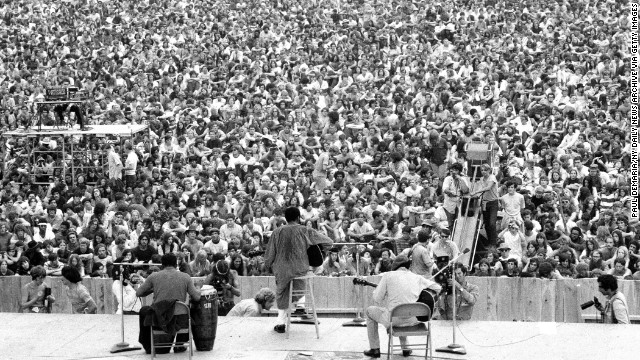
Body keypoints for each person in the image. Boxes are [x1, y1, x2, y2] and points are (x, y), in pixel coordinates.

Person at [265, 206, 333, 333]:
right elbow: (329, 242)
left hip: (282, 270)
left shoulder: (276, 232)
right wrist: (316, 252)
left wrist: (268, 266)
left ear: (286, 218)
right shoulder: (305, 230)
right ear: (298, 218)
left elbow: (269, 255)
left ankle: (281, 322)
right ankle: (300, 305)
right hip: (300, 269)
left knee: (282, 291)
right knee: (300, 285)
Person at [363, 255, 442, 358]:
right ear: (407, 266)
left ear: (395, 266)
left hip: (393, 320)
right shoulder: (417, 277)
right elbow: (438, 288)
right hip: (413, 320)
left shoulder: (388, 276)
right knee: (405, 309)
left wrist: (377, 292)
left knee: (370, 311)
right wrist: (422, 294)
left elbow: (377, 299)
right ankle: (405, 348)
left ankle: (375, 349)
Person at [135, 253, 201, 354]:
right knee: (191, 309)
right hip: (179, 319)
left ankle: (148, 346)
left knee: (144, 310)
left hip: (159, 318)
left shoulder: (154, 276)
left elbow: (138, 293)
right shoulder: (185, 277)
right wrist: (197, 288)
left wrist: (153, 289)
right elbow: (196, 297)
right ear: (176, 264)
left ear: (162, 264)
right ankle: (180, 343)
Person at [470, 164, 500, 246]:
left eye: (485, 170)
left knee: (492, 223)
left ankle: (494, 242)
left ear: (489, 170)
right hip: (484, 202)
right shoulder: (481, 179)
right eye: (482, 170)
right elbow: (478, 188)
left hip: (493, 202)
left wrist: (476, 192)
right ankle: (490, 242)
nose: (483, 172)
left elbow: (488, 188)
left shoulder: (492, 177)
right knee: (486, 224)